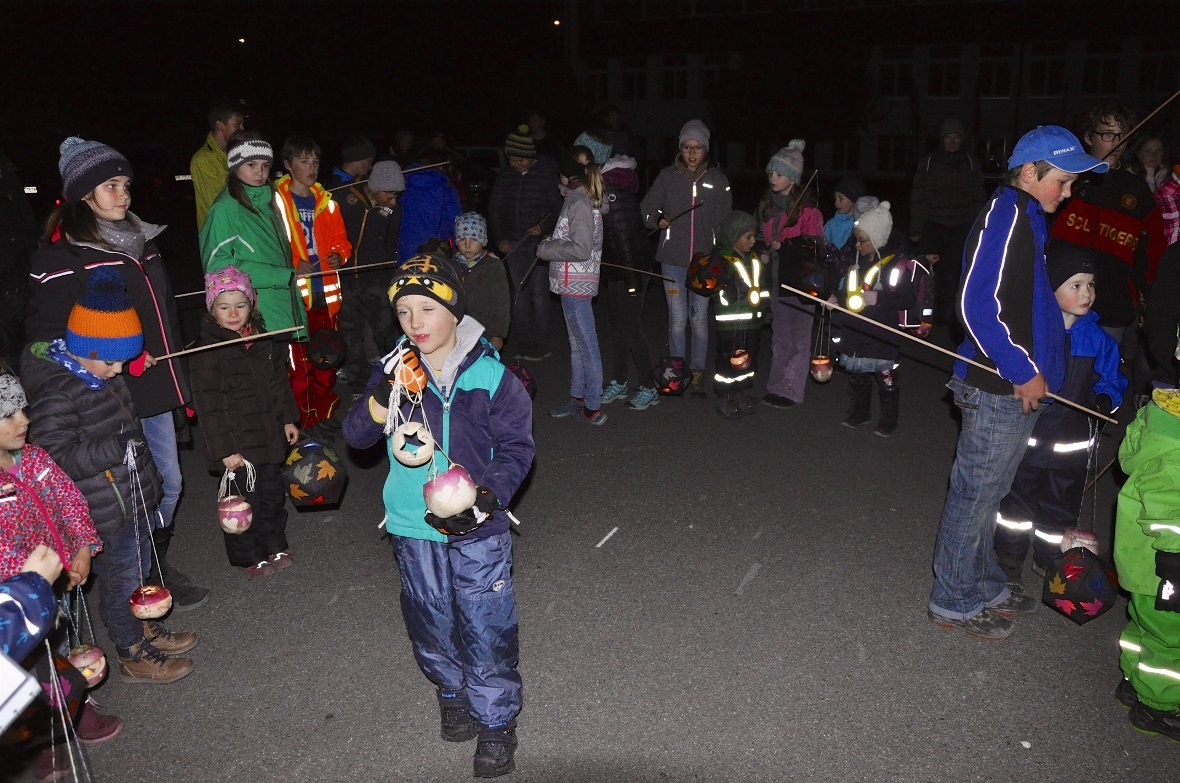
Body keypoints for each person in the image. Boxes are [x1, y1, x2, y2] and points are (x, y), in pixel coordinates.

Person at [342, 255, 534, 778]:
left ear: (454, 311)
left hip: (480, 524)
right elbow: (356, 436)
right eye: (404, 312)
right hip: (412, 522)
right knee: (429, 615)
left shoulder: (493, 376)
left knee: (485, 621)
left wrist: (490, 495)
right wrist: (383, 398)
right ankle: (451, 689)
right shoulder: (395, 374)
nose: (415, 323)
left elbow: (517, 449)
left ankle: (496, 722)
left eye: (428, 308)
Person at [927, 125, 1108, 640]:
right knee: (975, 496)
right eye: (1063, 182)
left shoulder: (1028, 216)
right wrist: (1024, 370)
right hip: (995, 386)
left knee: (994, 493)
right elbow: (976, 305)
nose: (1068, 194)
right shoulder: (1005, 215)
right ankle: (954, 599)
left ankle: (982, 582)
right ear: (1030, 172)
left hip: (1017, 388)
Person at [26, 136, 207, 611]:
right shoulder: (63, 257)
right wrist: (110, 361)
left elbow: (162, 313)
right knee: (132, 495)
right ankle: (133, 584)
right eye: (110, 186)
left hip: (157, 384)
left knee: (168, 484)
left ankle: (149, 570)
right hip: (109, 395)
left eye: (125, 184)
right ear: (84, 195)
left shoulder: (142, 241)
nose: (123, 194)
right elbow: (44, 341)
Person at [21, 268, 197, 682]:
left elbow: (129, 432)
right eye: (112, 360)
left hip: (127, 496)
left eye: (123, 360)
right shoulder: (59, 392)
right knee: (120, 581)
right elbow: (53, 458)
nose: (119, 369)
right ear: (85, 348)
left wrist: (145, 477)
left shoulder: (102, 377)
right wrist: (113, 449)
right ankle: (131, 650)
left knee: (137, 570)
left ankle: (142, 625)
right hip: (101, 508)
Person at [0, 374, 124, 778]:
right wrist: (39, 576)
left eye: (22, 410)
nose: (23, 421)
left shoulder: (35, 458)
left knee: (65, 647)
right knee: (27, 669)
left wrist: (83, 546)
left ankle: (77, 709)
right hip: (16, 597)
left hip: (60, 576)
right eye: (7, 415)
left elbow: (69, 501)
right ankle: (33, 744)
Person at [993, 246, 1125, 582]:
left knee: (1059, 508)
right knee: (1017, 505)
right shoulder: (1034, 333)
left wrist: (1104, 399)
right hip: (1030, 441)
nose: (1087, 294)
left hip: (1071, 447)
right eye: (1075, 285)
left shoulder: (1099, 340)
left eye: (1090, 285)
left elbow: (1113, 380)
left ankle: (1049, 558)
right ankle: (1008, 559)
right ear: (1052, 291)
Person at [1051, 104, 1167, 408]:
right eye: (1107, 134)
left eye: (1122, 135)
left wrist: (1149, 296)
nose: (1116, 142)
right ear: (1089, 137)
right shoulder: (1069, 181)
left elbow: (1152, 249)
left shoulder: (1136, 190)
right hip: (1060, 304)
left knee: (1099, 387)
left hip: (1113, 305)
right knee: (1055, 381)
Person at [189, 267, 301, 578]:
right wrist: (224, 449)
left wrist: (289, 419)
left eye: (241, 304)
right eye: (224, 307)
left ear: (251, 304)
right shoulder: (208, 350)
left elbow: (279, 382)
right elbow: (208, 405)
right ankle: (249, 555)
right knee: (239, 505)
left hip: (267, 435)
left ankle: (275, 543)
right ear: (212, 310)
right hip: (236, 444)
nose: (234, 313)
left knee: (271, 494)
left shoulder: (262, 340)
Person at [640, 120, 732, 397]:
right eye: (687, 147)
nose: (692, 153)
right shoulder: (667, 177)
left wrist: (721, 250)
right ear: (680, 148)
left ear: (706, 150)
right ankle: (676, 370)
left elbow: (726, 219)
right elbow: (646, 207)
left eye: (698, 148)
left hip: (705, 264)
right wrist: (658, 219)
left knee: (699, 318)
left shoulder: (718, 180)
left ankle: (697, 371)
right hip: (672, 259)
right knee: (677, 317)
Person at [274, 136, 353, 435]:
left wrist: (338, 256)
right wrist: (293, 265)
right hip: (296, 299)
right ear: (288, 165)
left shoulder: (328, 203)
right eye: (304, 161)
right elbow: (272, 247)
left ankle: (323, 412)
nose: (312, 167)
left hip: (326, 298)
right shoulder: (276, 202)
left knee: (327, 359)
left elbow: (342, 242)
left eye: (316, 161)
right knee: (299, 366)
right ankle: (303, 421)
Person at [1113, 387, 1180, 741]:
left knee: (1143, 627)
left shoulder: (1159, 422)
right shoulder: (1176, 450)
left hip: (1142, 563)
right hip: (1166, 569)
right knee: (1170, 642)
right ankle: (1158, 707)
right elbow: (1171, 512)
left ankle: (1133, 682)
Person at [836, 201, 932, 437]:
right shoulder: (857, 264)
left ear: (878, 238)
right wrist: (835, 297)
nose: (858, 245)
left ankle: (889, 418)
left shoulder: (895, 266)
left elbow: (906, 299)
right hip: (856, 329)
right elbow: (849, 291)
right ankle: (861, 412)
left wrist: (878, 298)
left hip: (881, 331)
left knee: (885, 377)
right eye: (856, 240)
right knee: (858, 375)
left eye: (863, 240)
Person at [201, 131, 307, 335]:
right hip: (256, 311)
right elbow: (217, 266)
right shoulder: (226, 208)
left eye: (265, 165)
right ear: (234, 166)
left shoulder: (268, 201)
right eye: (251, 165)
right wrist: (280, 276)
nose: (260, 172)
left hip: (284, 303)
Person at [540, 147, 609, 425]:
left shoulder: (579, 202)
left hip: (576, 284)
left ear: (566, 175)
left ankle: (592, 404)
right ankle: (577, 397)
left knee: (587, 346)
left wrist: (546, 248)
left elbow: (580, 248)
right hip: (573, 283)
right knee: (577, 346)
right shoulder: (578, 199)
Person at [757, 140, 824, 409]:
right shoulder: (767, 207)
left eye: (780, 174)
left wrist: (786, 247)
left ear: (794, 179)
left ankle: (791, 390)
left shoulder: (809, 213)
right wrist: (764, 252)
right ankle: (776, 386)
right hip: (776, 282)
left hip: (800, 284)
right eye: (771, 173)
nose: (773, 178)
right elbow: (761, 238)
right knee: (780, 337)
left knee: (798, 339)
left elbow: (816, 251)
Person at [488, 125, 563, 362]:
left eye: (520, 160)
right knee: (518, 293)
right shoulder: (505, 176)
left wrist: (543, 229)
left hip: (538, 245)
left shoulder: (545, 176)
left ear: (530, 157)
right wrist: (500, 238)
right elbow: (495, 209)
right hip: (513, 243)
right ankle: (523, 344)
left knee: (539, 295)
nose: (515, 164)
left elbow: (557, 209)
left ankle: (540, 345)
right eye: (511, 159)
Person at [909, 118, 986, 343]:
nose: (952, 142)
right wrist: (916, 228)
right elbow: (918, 195)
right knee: (926, 272)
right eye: (948, 138)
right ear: (942, 140)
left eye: (956, 138)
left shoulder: (971, 163)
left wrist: (976, 227)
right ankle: (922, 314)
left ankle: (948, 317)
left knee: (954, 273)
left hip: (960, 225)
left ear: (961, 140)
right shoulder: (929, 162)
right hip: (933, 223)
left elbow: (978, 197)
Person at [598, 140, 659, 411]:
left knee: (632, 327)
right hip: (617, 268)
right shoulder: (606, 186)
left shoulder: (611, 190)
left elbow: (623, 237)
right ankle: (620, 380)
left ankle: (649, 386)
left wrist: (634, 283)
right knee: (618, 327)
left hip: (632, 269)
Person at [335, 160, 404, 397]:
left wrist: (388, 280)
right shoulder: (346, 199)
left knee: (385, 331)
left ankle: (395, 379)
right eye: (389, 194)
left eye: (397, 195)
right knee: (351, 336)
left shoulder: (393, 210)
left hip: (375, 280)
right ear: (375, 187)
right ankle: (358, 386)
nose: (393, 200)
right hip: (347, 280)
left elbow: (391, 245)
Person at [698, 211, 767, 418]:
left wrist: (765, 306)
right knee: (728, 360)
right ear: (734, 236)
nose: (753, 241)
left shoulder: (754, 259)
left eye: (754, 236)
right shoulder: (722, 259)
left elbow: (760, 285)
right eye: (748, 237)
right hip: (730, 322)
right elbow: (715, 287)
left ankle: (743, 390)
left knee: (749, 358)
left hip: (752, 321)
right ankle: (725, 395)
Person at [452, 212, 510, 352]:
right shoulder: (452, 264)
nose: (467, 245)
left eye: (473, 239)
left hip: (485, 329)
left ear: (483, 240)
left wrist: (498, 333)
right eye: (462, 239)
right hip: (456, 329)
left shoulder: (493, 265)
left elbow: (502, 302)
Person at [191, 99, 246, 230]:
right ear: (220, 125)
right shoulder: (203, 159)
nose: (242, 129)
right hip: (219, 234)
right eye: (237, 125)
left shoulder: (237, 154)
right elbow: (218, 203)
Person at [823, 176, 865, 251]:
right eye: (835, 198)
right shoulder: (831, 224)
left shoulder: (859, 224)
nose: (836, 203)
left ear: (853, 200)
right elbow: (823, 243)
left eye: (841, 198)